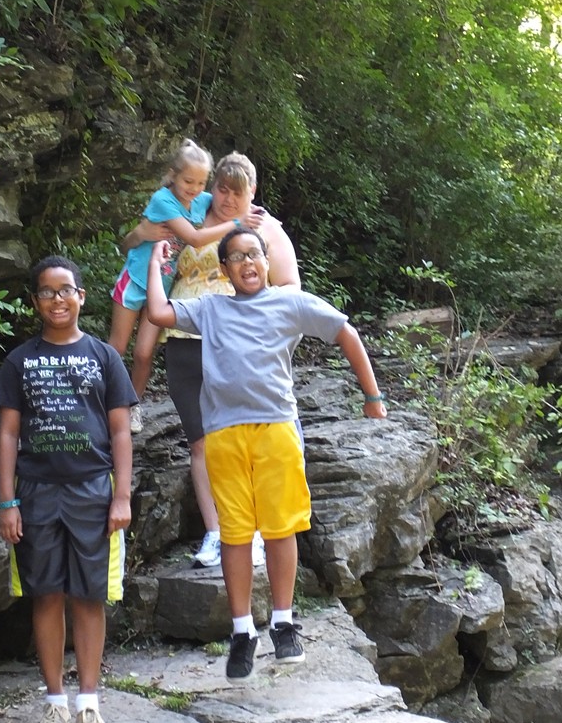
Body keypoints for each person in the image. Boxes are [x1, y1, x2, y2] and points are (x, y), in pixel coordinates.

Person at [146, 227, 387, 680]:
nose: (247, 263)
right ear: (224, 269)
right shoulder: (211, 308)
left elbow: (346, 333)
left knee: (280, 528)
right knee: (235, 534)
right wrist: (155, 268)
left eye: (254, 254)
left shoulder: (289, 302)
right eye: (237, 257)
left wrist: (371, 396)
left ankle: (283, 622)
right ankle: (242, 631)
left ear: (266, 261)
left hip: (276, 429)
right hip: (223, 434)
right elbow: (159, 312)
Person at [121, 152, 298, 568]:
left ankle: (254, 531)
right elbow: (139, 247)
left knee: (245, 435)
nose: (228, 199)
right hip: (183, 338)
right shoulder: (190, 213)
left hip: (239, 345)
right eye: (221, 189)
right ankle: (217, 532)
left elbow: (290, 287)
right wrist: (138, 233)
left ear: (252, 192)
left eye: (238, 192)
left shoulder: (265, 228)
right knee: (200, 441)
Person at [0, 255, 137, 723]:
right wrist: (7, 501)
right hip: (35, 492)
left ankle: (88, 705)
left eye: (65, 290)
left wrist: (122, 496)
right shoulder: (20, 361)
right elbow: (7, 434)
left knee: (89, 595)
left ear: (81, 297)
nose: (58, 300)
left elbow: (121, 430)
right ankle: (54, 702)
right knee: (46, 593)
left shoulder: (104, 357)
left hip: (93, 490)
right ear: (35, 301)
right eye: (47, 292)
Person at [109, 139, 251, 434]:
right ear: (173, 175)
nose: (194, 188)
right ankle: (98, 401)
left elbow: (231, 195)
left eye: (201, 182)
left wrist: (253, 212)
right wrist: (239, 222)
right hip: (135, 280)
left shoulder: (200, 200)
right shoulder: (163, 200)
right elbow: (195, 239)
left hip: (161, 287)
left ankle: (133, 405)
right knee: (117, 348)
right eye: (188, 181)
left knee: (144, 353)